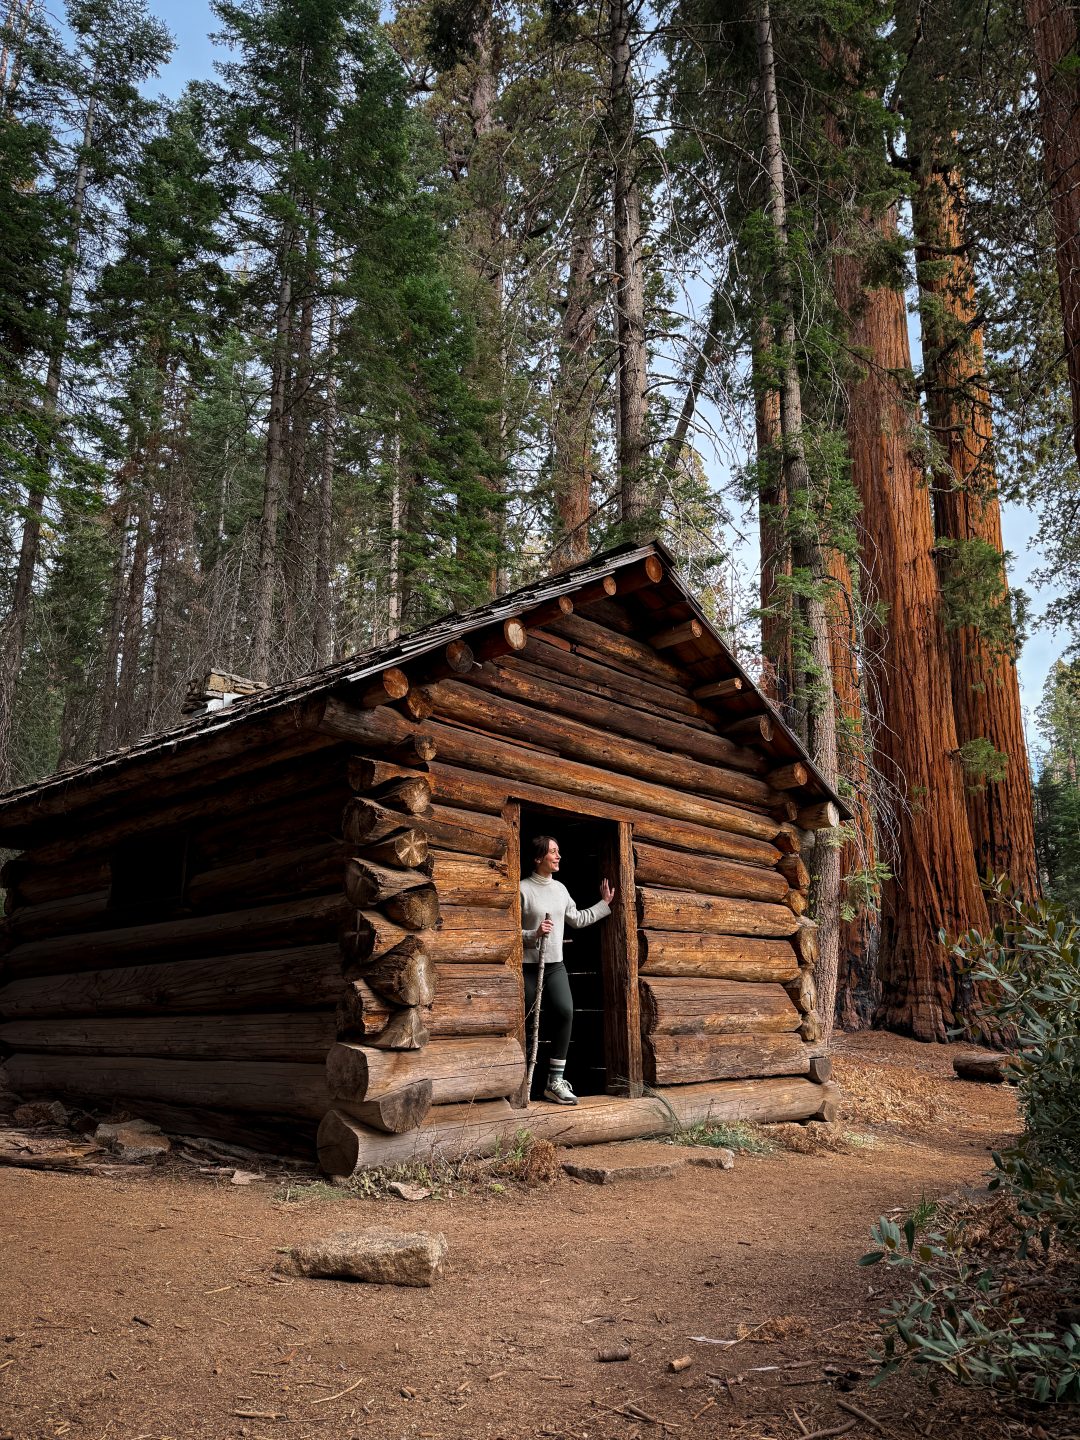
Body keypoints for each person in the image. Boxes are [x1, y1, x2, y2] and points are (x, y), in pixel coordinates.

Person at [520, 834, 614, 1106]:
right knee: (526, 1020)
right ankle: (522, 1080)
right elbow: (509, 931)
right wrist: (533, 934)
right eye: (553, 852)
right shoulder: (522, 889)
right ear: (539, 858)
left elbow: (577, 919)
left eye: (558, 851)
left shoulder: (560, 890)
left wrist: (603, 905)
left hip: (555, 966)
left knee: (565, 1011)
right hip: (527, 967)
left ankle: (554, 1082)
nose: (558, 856)